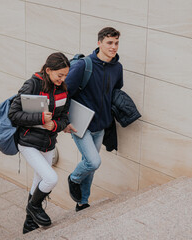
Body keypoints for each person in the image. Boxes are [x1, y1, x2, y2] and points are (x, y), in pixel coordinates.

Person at [8, 52, 70, 234]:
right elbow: (13, 114)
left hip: (48, 143)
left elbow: (65, 117)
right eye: (60, 75)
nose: (63, 79)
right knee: (50, 178)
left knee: (38, 181)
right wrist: (41, 118)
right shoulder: (32, 84)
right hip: (28, 141)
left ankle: (29, 224)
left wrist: (55, 125)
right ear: (48, 70)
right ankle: (34, 207)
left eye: (65, 75)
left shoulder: (63, 89)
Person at [64, 27, 123, 212]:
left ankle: (83, 203)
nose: (113, 47)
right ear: (99, 43)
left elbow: (115, 90)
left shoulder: (117, 67)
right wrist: (65, 121)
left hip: (101, 124)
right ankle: (73, 179)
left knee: (90, 165)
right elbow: (65, 92)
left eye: (116, 43)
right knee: (93, 162)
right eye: (109, 43)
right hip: (81, 125)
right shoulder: (84, 65)